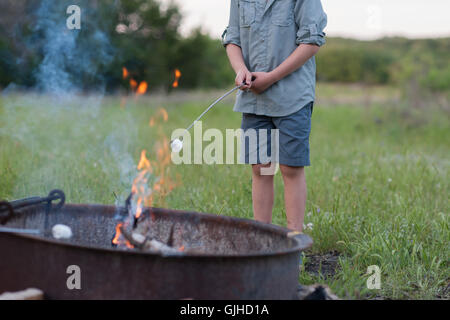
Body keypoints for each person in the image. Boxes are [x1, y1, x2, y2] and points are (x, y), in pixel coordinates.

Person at [222, 0, 327, 233]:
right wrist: (241, 70)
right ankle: (262, 241)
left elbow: (311, 41)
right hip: (254, 98)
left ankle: (294, 240)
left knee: (291, 167)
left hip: (293, 95)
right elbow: (232, 39)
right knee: (261, 168)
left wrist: (271, 77)